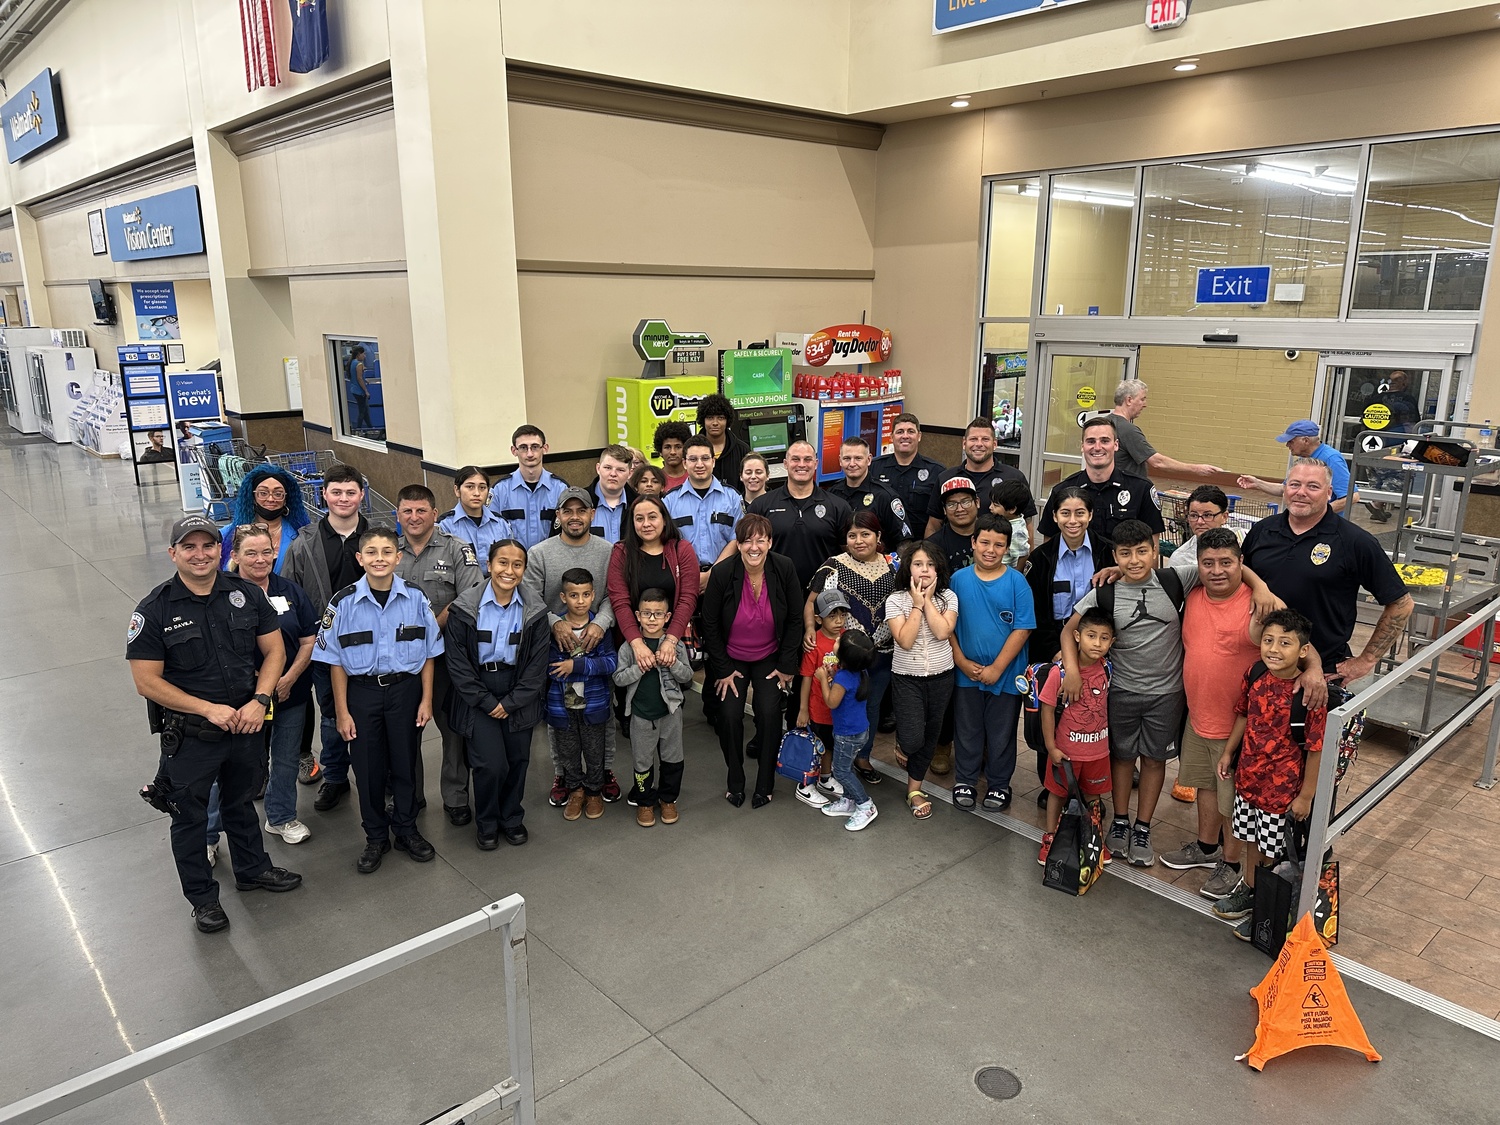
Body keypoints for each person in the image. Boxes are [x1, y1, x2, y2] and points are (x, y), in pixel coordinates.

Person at [128, 515, 301, 933]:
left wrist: (261, 699)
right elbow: (145, 681)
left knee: (241, 803)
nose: (200, 554)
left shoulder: (245, 595)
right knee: (188, 818)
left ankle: (252, 870)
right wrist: (207, 709)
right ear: (173, 554)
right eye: (189, 547)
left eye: (208, 546)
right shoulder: (154, 610)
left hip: (246, 725)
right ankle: (203, 900)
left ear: (220, 551)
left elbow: (274, 651)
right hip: (192, 737)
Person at [1240, 457, 1412, 777]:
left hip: (1319, 678)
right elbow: (1242, 579)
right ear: (1284, 488)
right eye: (1294, 484)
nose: (1301, 492)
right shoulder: (1263, 532)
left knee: (1310, 776)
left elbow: (1401, 604)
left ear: (1330, 493)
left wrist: (1366, 660)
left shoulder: (1354, 542)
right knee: (1258, 766)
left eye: (1312, 486)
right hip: (1261, 668)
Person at [1161, 527, 1300, 897]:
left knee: (1233, 803)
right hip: (1197, 716)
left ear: (1241, 563)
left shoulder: (1261, 605)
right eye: (1208, 563)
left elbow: (1299, 641)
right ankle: (1207, 848)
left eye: (1226, 562)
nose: (1217, 570)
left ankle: (1233, 862)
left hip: (1238, 727)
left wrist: (1314, 669)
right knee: (1205, 786)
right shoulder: (1190, 595)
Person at [314, 526, 444, 874]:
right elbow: (335, 663)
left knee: (405, 763)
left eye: (387, 552)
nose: (379, 559)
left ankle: (406, 829)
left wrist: (426, 699)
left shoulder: (416, 599)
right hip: (363, 693)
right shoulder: (341, 604)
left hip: (406, 690)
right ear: (360, 559)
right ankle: (375, 837)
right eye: (371, 552)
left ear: (398, 557)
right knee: (368, 769)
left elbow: (430, 654)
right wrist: (342, 712)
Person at [1211, 609, 1329, 941]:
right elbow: (1243, 715)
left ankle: (1267, 906)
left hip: (1282, 792)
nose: (1274, 649)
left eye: (1285, 643)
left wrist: (1305, 796)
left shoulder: (1309, 695)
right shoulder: (1256, 672)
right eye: (1268, 640)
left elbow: (1316, 748)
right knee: (1250, 840)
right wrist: (1228, 752)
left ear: (1303, 651)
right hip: (1249, 781)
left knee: (1272, 850)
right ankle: (1249, 889)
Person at [444, 540, 552, 849]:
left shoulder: (535, 611)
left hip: (518, 691)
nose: (509, 570)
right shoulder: (464, 608)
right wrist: (488, 702)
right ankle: (487, 821)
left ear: (524, 570)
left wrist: (512, 701)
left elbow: (536, 664)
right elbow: (458, 663)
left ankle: (511, 818)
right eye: (502, 562)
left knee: (518, 760)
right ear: (488, 565)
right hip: (478, 693)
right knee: (490, 764)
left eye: (517, 564)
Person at [521, 487, 622, 807]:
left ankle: (602, 771)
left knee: (598, 714)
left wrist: (599, 624)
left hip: (595, 641)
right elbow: (531, 599)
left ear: (593, 514)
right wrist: (555, 623)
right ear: (558, 516)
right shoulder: (539, 553)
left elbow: (614, 595)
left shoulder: (609, 551)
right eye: (568, 511)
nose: (575, 517)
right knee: (562, 716)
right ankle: (564, 774)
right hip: (556, 648)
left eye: (582, 511)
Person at [281, 464, 371, 814]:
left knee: (377, 714)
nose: (344, 499)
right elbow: (288, 597)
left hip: (376, 649)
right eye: (337, 492)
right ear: (324, 495)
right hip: (326, 651)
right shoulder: (304, 543)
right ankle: (335, 777)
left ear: (361, 495)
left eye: (351, 492)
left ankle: (383, 777)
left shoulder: (380, 539)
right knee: (333, 718)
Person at [699, 514, 802, 807]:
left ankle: (765, 783)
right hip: (732, 658)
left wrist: (786, 666)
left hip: (770, 656)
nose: (753, 547)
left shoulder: (784, 568)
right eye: (747, 540)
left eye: (760, 540)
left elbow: (795, 619)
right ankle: (735, 779)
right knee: (729, 716)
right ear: (739, 544)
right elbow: (709, 623)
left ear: (770, 542)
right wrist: (722, 669)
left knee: (770, 715)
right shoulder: (722, 574)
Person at [395, 484, 483, 823]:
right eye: (407, 511)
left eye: (421, 511)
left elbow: (471, 596)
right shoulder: (388, 550)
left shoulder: (458, 550)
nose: (414, 517)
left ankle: (456, 796)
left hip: (447, 658)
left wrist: (432, 626)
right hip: (400, 659)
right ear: (399, 515)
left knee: (453, 730)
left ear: (435, 514)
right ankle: (410, 796)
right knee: (404, 732)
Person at [228, 524, 318, 846]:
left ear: (275, 552)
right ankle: (216, 833)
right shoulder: (223, 595)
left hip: (291, 693)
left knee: (286, 757)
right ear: (235, 556)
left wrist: (289, 677)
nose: (260, 559)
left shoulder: (289, 591)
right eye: (250, 553)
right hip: (241, 700)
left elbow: (309, 639)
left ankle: (280, 817)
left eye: (266, 552)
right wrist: (258, 683)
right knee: (237, 764)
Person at [606, 496, 700, 802]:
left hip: (669, 639)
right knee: (636, 719)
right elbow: (619, 600)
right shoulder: (621, 552)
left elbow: (687, 598)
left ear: (664, 518)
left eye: (652, 517)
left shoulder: (680, 550)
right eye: (639, 518)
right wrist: (635, 643)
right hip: (632, 642)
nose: (646, 524)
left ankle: (668, 791)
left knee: (669, 709)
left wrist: (669, 640)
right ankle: (643, 786)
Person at [1023, 486, 1114, 805]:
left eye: (1079, 513)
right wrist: (1058, 653)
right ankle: (1053, 785)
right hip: (1053, 651)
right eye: (1065, 513)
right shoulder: (1040, 559)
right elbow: (1034, 613)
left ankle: (1091, 787)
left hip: (1098, 652)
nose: (1072, 520)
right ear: (1055, 516)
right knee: (1052, 715)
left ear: (1090, 515)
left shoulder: (1109, 554)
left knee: (1093, 717)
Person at [948, 514, 1035, 811]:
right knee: (967, 728)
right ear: (973, 543)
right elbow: (948, 625)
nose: (990, 550)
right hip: (966, 673)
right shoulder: (958, 580)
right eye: (984, 542)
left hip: (1007, 674)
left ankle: (999, 784)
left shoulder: (1017, 583)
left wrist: (997, 668)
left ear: (1008, 549)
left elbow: (1022, 629)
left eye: (999, 545)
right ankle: (966, 779)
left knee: (1001, 733)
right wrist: (960, 659)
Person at [807, 511, 895, 782]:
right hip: (845, 656)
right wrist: (810, 628)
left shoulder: (894, 566)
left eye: (866, 534)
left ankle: (863, 757)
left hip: (883, 653)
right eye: (852, 535)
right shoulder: (833, 565)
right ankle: (836, 762)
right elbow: (811, 601)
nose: (859, 541)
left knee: (872, 707)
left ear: (878, 536)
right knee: (842, 706)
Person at [1037, 607, 1116, 867]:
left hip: (1097, 752)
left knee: (1094, 797)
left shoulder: (1106, 668)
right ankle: (1050, 838)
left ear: (1112, 642)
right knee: (1057, 794)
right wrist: (1051, 746)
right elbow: (1047, 709)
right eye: (1091, 636)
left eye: (1104, 638)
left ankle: (1094, 841)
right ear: (1077, 636)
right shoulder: (1059, 673)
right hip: (1066, 752)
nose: (1098, 643)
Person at [885, 541, 958, 820]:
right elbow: (904, 640)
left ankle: (914, 789)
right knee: (913, 738)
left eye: (930, 564)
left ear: (938, 568)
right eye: (918, 564)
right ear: (908, 569)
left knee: (931, 734)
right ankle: (902, 741)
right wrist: (916, 605)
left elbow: (942, 632)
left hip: (942, 676)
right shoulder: (896, 600)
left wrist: (927, 601)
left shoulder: (949, 597)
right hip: (906, 677)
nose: (924, 570)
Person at [614, 587, 696, 827]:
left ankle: (668, 800)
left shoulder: (676, 645)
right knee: (642, 762)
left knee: (673, 760)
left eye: (658, 614)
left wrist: (672, 664)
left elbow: (687, 676)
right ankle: (645, 802)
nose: (652, 619)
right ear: (637, 616)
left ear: (667, 617)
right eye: (647, 613)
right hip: (641, 716)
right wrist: (639, 667)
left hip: (670, 714)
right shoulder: (629, 648)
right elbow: (618, 679)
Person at [544, 568, 618, 822]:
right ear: (563, 598)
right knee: (568, 751)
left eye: (586, 594)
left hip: (594, 705)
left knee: (595, 750)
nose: (580, 600)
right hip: (561, 707)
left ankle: (594, 792)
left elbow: (610, 663)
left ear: (593, 595)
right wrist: (583, 666)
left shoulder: (600, 628)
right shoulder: (556, 631)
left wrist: (575, 666)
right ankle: (575, 790)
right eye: (574, 595)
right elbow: (550, 667)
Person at [1037, 415, 1166, 544]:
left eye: (1105, 441)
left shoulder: (1141, 489)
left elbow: (1152, 549)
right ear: (1082, 446)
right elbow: (1049, 547)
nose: (1097, 447)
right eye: (1091, 441)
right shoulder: (1062, 491)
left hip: (1123, 564)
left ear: (1116, 445)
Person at [749, 440, 854, 596]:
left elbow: (849, 554)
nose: (802, 464)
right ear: (785, 463)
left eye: (807, 459)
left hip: (825, 596)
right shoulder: (761, 506)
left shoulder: (838, 507)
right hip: (775, 594)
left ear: (816, 463)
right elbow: (749, 551)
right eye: (795, 459)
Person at [924, 417, 1036, 543]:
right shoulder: (946, 478)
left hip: (998, 556)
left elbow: (1027, 526)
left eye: (985, 439)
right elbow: (933, 525)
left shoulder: (1014, 478)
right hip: (953, 555)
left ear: (994, 444)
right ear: (964, 443)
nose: (979, 444)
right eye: (973, 439)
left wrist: (1027, 561)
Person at [815, 629, 879, 832]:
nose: (836, 639)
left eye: (839, 642)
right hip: (860, 731)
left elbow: (831, 702)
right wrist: (834, 675)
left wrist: (824, 679)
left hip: (847, 735)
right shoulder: (859, 672)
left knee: (841, 771)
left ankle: (865, 804)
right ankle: (849, 801)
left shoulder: (843, 678)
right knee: (846, 766)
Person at [795, 587, 852, 809]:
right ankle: (805, 785)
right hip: (818, 708)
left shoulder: (847, 639)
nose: (839, 621)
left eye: (842, 614)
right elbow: (807, 678)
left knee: (830, 746)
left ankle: (825, 778)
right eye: (832, 616)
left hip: (838, 709)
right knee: (815, 748)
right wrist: (803, 709)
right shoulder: (814, 644)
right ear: (818, 619)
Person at [665, 434, 744, 591]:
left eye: (705, 458)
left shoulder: (732, 497)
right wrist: (690, 575)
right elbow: (665, 543)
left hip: (726, 581)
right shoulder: (669, 501)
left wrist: (712, 574)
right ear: (685, 463)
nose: (699, 464)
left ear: (713, 462)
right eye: (693, 459)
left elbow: (738, 540)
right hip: (682, 582)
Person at [1109, 379, 1222, 481]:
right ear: (1129, 400)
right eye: (1142, 399)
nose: (1145, 405)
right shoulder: (1128, 430)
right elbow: (1158, 462)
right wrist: (1196, 469)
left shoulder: (1102, 423)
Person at [1235, 420, 1353, 516]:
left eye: (1291, 441)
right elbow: (1283, 489)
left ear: (1305, 440)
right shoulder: (1304, 459)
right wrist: (1257, 483)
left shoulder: (1331, 458)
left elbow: (1352, 497)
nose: (1287, 445)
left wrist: (1319, 515)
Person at [218, 464, 311, 572]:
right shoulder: (226, 535)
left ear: (285, 499)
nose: (271, 499)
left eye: (278, 494)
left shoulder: (301, 535)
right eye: (263, 493)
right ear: (252, 497)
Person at [489, 425, 567, 550]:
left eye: (535, 447)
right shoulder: (499, 490)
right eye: (523, 448)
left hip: (549, 563)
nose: (530, 454)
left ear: (545, 448)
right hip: (513, 564)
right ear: (514, 450)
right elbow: (491, 531)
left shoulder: (561, 489)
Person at [827, 437, 910, 553]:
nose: (852, 464)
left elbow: (904, 542)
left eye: (858, 458)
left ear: (869, 459)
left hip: (877, 567)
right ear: (840, 460)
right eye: (847, 458)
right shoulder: (832, 494)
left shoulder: (885, 496)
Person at [871, 412, 944, 532]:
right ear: (891, 437)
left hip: (919, 543)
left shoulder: (936, 471)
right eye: (900, 432)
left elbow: (938, 519)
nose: (905, 436)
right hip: (883, 542)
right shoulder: (874, 467)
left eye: (911, 431)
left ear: (919, 436)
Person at [439, 466, 513, 571]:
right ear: (457, 490)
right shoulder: (444, 526)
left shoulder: (501, 524)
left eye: (482, 487)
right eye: (470, 487)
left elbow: (511, 559)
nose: (477, 493)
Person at [1166, 485, 1234, 568]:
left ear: (1224, 517)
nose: (1200, 522)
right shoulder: (1181, 559)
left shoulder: (1242, 541)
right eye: (1194, 515)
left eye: (1207, 515)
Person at [697, 393, 750, 492]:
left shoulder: (742, 450)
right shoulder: (692, 449)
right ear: (703, 420)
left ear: (727, 420)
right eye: (710, 418)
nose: (715, 423)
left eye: (720, 418)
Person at [927, 475, 980, 573]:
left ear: (977, 502)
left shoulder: (992, 535)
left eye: (966, 502)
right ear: (944, 510)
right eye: (951, 504)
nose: (960, 509)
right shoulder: (933, 545)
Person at [590, 444, 635, 543]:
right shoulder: (581, 502)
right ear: (598, 468)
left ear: (630, 473)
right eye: (608, 468)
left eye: (620, 470)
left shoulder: (638, 504)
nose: (613, 474)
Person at [989, 478, 1032, 567]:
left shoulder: (1016, 531)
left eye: (995, 505)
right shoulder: (1008, 520)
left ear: (1012, 509)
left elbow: (1023, 555)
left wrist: (1017, 576)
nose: (990, 507)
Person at [653, 421, 692, 493]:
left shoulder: (694, 477)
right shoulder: (654, 479)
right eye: (667, 447)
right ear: (660, 451)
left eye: (678, 447)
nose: (673, 452)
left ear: (686, 449)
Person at [345, 345, 372, 430]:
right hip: (359, 391)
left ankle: (370, 427)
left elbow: (356, 376)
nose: (365, 356)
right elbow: (359, 378)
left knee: (365, 411)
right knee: (362, 411)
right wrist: (366, 391)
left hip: (353, 389)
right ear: (358, 354)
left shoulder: (352, 362)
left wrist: (365, 380)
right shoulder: (359, 364)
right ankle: (358, 429)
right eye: (363, 354)